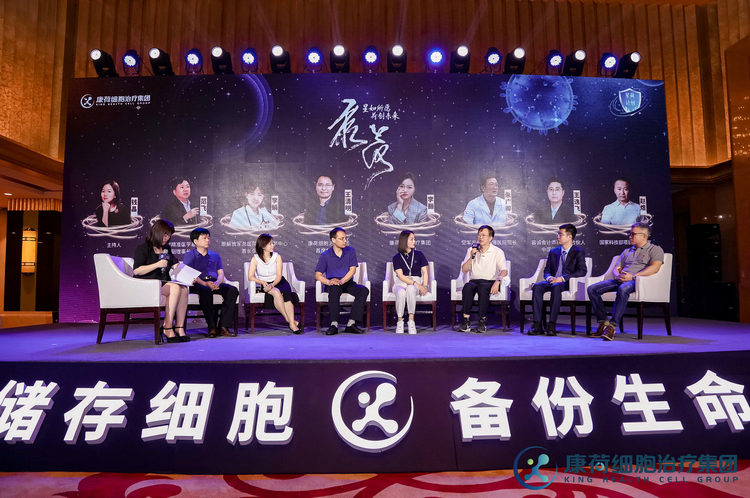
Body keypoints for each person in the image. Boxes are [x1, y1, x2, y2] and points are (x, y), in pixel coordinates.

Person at [588, 222, 664, 341]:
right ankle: (603, 323)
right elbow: (617, 267)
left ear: (644, 236)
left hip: (637, 281)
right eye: (630, 233)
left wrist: (633, 276)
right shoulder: (627, 251)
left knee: (623, 288)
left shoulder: (655, 249)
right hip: (621, 279)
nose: (630, 236)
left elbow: (655, 268)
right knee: (592, 289)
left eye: (633, 234)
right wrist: (618, 275)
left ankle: (612, 326)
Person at [133, 219, 189, 343]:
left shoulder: (166, 248)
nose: (167, 238)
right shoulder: (143, 248)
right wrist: (157, 264)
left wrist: (188, 275)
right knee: (174, 287)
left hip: (162, 284)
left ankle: (179, 327)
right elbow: (137, 271)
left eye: (169, 235)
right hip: (147, 285)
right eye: (165, 235)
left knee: (184, 288)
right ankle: (167, 327)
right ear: (157, 232)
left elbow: (175, 264)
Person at [529, 224, 587, 336]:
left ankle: (552, 325)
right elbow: (547, 270)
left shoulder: (578, 252)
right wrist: (549, 277)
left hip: (566, 282)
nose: (558, 237)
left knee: (556, 287)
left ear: (570, 237)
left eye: (561, 234)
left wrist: (562, 278)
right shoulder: (553, 251)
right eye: (558, 234)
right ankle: (537, 325)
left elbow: (582, 271)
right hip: (553, 281)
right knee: (537, 286)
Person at [183, 228, 240, 338]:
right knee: (206, 291)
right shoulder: (189, 255)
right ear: (195, 241)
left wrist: (218, 282)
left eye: (208, 238)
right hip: (198, 283)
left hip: (214, 282)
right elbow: (189, 273)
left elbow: (221, 273)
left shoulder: (215, 255)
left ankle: (223, 326)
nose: (207, 240)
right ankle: (212, 327)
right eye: (204, 238)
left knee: (232, 290)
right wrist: (204, 283)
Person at [315, 227, 369, 335]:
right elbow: (318, 275)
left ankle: (351, 324)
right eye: (341, 239)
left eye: (345, 238)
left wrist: (342, 281)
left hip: (347, 282)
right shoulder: (325, 255)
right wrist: (329, 282)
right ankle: (334, 324)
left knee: (363, 290)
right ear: (333, 240)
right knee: (334, 290)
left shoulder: (350, 251)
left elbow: (352, 270)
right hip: (333, 283)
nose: (345, 241)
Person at [247, 234, 302, 334]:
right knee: (276, 292)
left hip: (279, 281)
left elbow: (279, 276)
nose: (273, 245)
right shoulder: (255, 259)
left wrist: (272, 284)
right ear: (263, 246)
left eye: (273, 243)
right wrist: (262, 282)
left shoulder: (277, 257)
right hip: (264, 283)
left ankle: (291, 324)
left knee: (287, 295)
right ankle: (290, 321)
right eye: (270, 244)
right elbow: (250, 277)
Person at [459, 225, 508, 333]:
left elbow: (504, 270)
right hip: (474, 281)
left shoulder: (497, 251)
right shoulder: (471, 250)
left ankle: (482, 322)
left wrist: (497, 282)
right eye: (479, 235)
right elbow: (464, 270)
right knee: (467, 287)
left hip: (489, 281)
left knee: (483, 288)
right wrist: (472, 256)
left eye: (483, 235)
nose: (480, 237)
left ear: (490, 238)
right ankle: (466, 321)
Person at [391, 230, 430, 334]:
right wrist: (417, 284)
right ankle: (400, 321)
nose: (414, 241)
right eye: (411, 239)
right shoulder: (396, 257)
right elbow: (400, 276)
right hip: (401, 282)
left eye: (414, 239)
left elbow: (425, 272)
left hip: (415, 280)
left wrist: (425, 286)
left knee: (411, 289)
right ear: (404, 241)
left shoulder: (419, 254)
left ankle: (411, 320)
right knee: (401, 292)